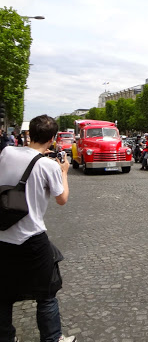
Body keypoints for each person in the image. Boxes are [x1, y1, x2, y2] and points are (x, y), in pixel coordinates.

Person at [0, 115, 75, 342]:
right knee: (47, 293)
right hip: (31, 237)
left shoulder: (6, 153)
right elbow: (61, 199)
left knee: (3, 294)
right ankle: (52, 338)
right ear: (52, 139)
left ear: (29, 133)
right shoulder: (49, 166)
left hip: (3, 234)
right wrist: (64, 171)